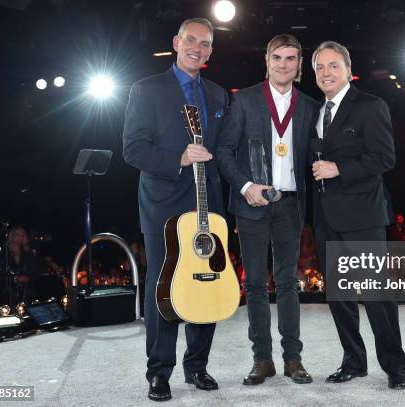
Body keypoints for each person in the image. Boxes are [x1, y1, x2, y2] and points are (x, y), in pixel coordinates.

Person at [122, 17, 228, 402]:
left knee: (208, 280)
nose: (196, 48)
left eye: (205, 43)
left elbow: (224, 151)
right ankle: (159, 372)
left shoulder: (218, 95)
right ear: (176, 42)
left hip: (209, 206)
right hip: (164, 205)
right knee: (163, 287)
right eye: (191, 40)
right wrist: (179, 157)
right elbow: (133, 148)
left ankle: (197, 367)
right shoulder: (146, 90)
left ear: (211, 52)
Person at [216, 34, 317, 385]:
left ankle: (293, 359)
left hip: (289, 203)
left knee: (289, 283)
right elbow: (224, 152)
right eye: (278, 57)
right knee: (256, 284)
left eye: (291, 58)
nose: (284, 64)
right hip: (252, 202)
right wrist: (246, 187)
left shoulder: (308, 106)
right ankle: (262, 359)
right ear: (267, 60)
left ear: (299, 64)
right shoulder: (243, 101)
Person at [310, 41, 405, 390]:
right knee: (339, 297)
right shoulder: (314, 112)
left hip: (363, 215)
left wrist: (339, 168)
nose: (326, 73)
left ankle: (395, 368)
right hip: (325, 217)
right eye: (320, 67)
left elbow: (385, 158)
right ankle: (353, 361)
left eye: (333, 65)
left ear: (347, 69)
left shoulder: (371, 106)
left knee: (376, 296)